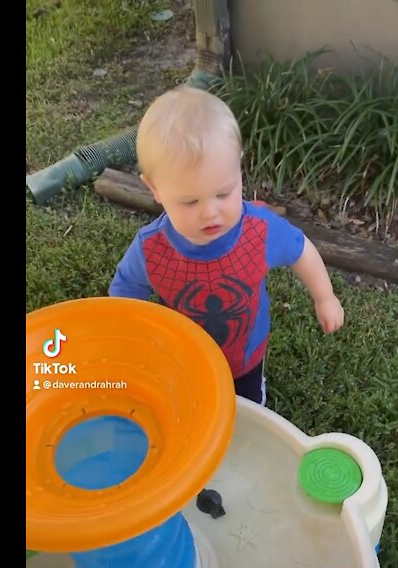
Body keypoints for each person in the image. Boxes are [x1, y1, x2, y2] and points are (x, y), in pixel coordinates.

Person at [108, 86, 344, 405]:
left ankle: (252, 397)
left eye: (223, 193)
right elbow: (125, 290)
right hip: (182, 355)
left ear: (239, 169)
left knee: (246, 408)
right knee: (191, 404)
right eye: (190, 201)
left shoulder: (259, 229)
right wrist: (129, 337)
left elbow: (301, 250)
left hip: (245, 353)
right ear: (155, 188)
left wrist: (325, 297)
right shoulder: (151, 248)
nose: (210, 212)